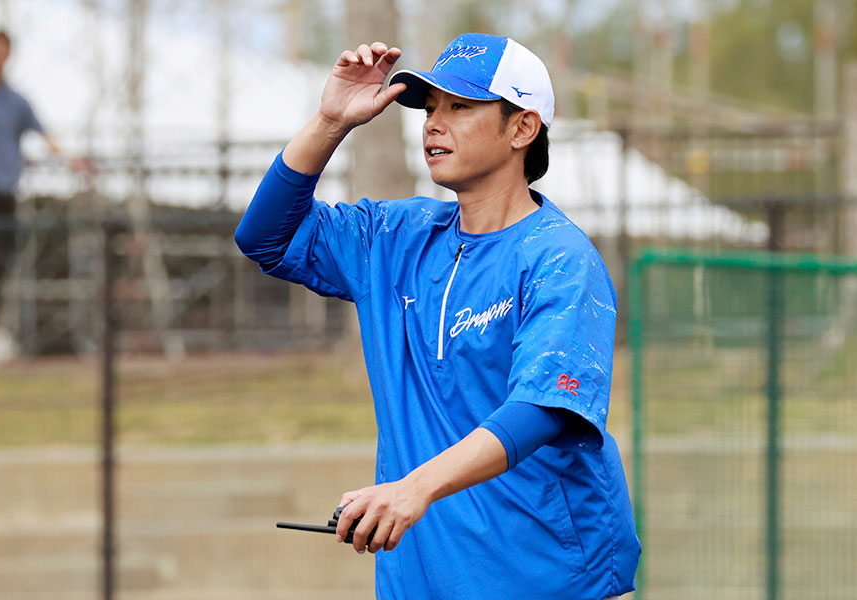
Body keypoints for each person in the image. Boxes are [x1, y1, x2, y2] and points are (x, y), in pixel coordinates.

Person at [236, 33, 640, 599]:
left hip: (545, 577)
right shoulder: (395, 236)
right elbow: (265, 238)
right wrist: (331, 122)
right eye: (429, 108)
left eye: (461, 106)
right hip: (422, 578)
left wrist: (412, 489)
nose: (433, 123)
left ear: (523, 129)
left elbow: (542, 409)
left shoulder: (559, 257)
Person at [0, 29, 88, 342]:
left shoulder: (17, 102)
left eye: (4, 51)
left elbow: (45, 135)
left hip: (4, 196)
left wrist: (72, 160)